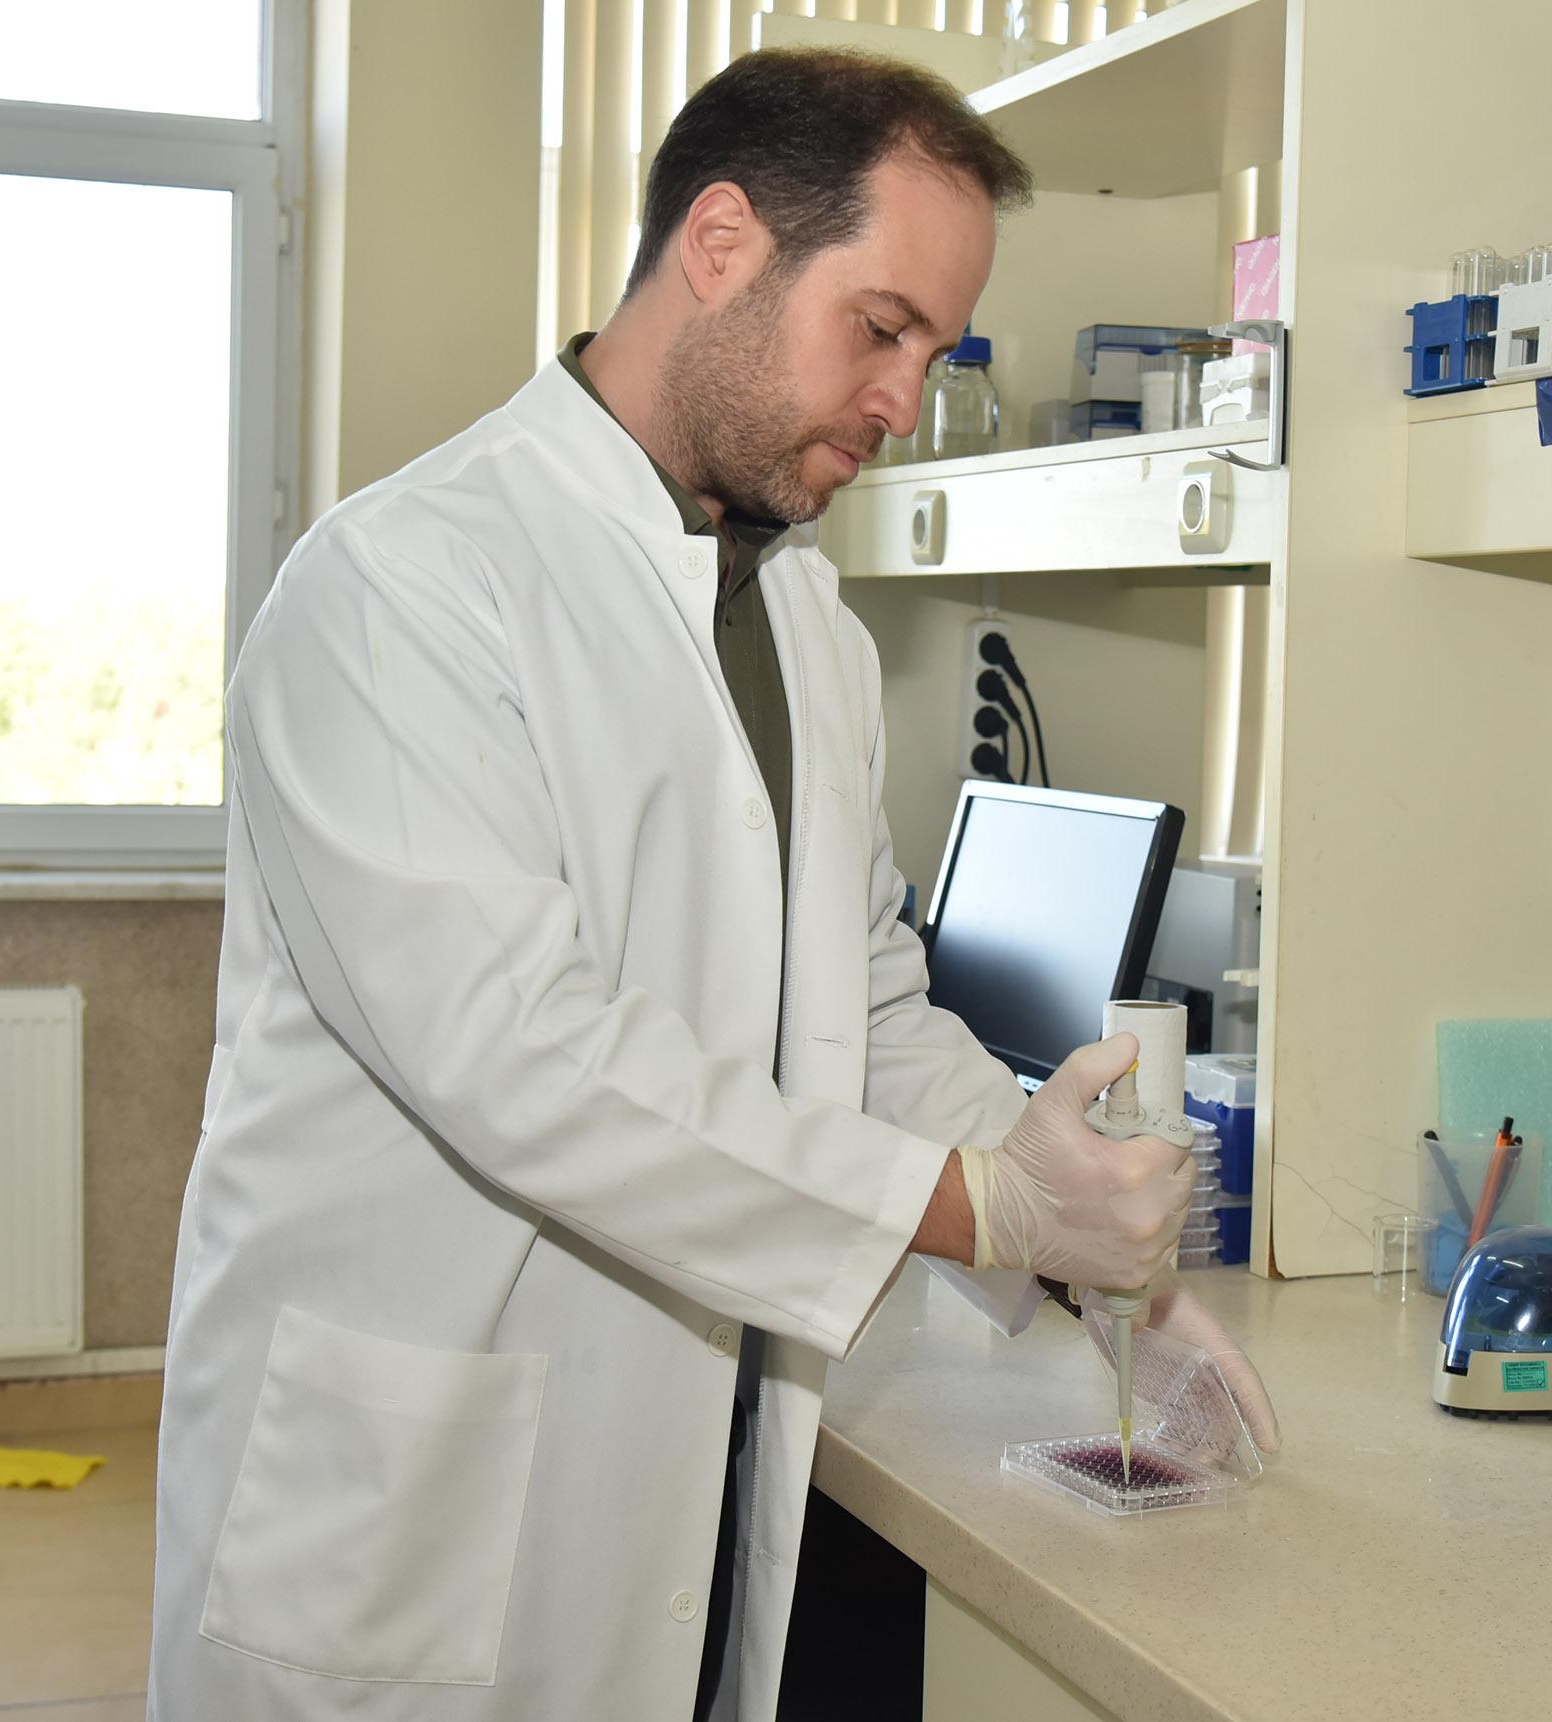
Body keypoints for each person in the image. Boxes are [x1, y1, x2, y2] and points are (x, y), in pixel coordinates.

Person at [148, 46, 1276, 1722]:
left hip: (679, 1461)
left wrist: (1096, 1242)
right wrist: (981, 1208)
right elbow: (527, 1060)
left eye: (935, 352)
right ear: (724, 243)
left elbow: (863, 1002)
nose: (903, 401)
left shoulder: (804, 619)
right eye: (880, 328)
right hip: (406, 1495)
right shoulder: (401, 587)